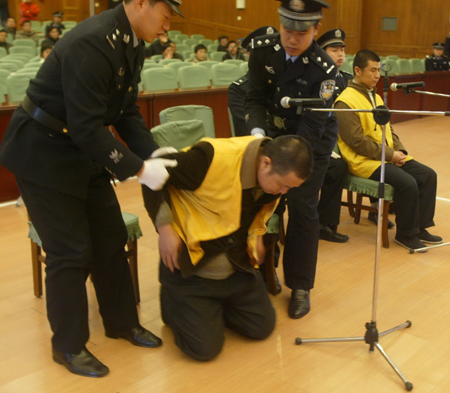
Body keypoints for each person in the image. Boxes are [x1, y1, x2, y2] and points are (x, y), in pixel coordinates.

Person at [0, 0, 184, 379]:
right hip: (44, 150)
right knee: (70, 251)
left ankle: (121, 323)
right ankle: (67, 346)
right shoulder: (94, 40)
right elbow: (85, 126)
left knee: (109, 237)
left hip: (82, 148)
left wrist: (153, 153)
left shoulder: (131, 42)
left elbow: (125, 109)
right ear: (139, 3)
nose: (168, 23)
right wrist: (138, 170)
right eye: (166, 12)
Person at [142, 135, 313, 361]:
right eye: (283, 185)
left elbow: (246, 213)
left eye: (290, 188)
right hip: (194, 271)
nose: (284, 193)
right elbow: (151, 171)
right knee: (204, 350)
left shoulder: (270, 182)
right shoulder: (209, 158)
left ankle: (208, 311)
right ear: (266, 163)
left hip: (235, 265)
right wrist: (164, 227)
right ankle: (176, 303)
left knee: (262, 327)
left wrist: (256, 236)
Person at [245, 0, 337, 319]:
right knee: (259, 199)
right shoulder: (262, 49)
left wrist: (282, 160)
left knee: (301, 207)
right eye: (287, 29)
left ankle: (300, 286)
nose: (292, 39)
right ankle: (259, 269)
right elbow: (254, 97)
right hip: (270, 136)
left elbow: (312, 126)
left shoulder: (324, 69)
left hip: (310, 144)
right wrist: (259, 139)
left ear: (316, 29)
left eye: (301, 32)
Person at [335, 49, 442, 251]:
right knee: (408, 183)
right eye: (373, 70)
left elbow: (389, 130)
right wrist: (390, 154)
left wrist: (399, 151)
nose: (378, 75)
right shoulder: (345, 101)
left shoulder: (376, 96)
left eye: (379, 70)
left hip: (385, 156)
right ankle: (405, 235)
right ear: (357, 70)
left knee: (428, 175)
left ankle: (420, 228)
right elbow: (357, 142)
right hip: (363, 161)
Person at [315, 28, 351, 243]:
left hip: (346, 139)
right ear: (321, 51)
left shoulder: (347, 80)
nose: (340, 55)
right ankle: (323, 223)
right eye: (334, 50)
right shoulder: (316, 79)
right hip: (323, 142)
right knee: (338, 166)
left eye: (342, 50)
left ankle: (377, 208)